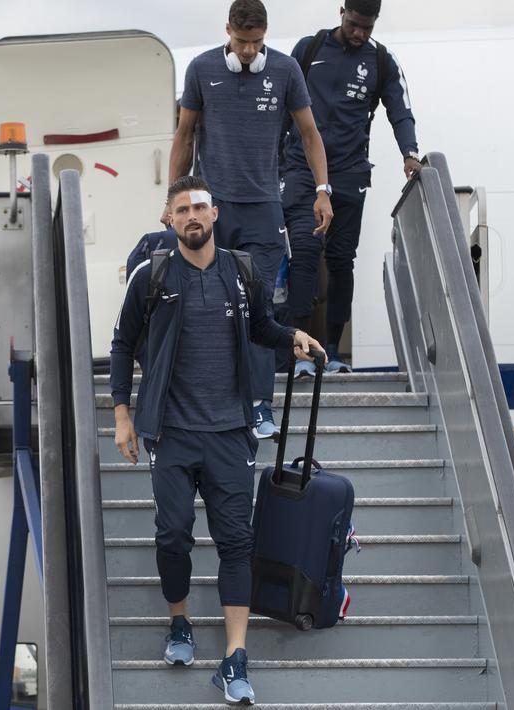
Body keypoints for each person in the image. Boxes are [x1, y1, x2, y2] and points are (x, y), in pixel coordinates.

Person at [112, 176, 322, 705]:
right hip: (173, 435)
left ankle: (234, 658)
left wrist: (292, 337)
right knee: (172, 537)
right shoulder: (152, 275)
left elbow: (262, 328)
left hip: (230, 434)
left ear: (216, 212)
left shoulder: (241, 271)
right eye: (182, 209)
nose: (192, 216)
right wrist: (122, 416)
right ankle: (179, 621)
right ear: (170, 219)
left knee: (236, 545)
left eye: (200, 206)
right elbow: (120, 346)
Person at [166, 0, 334, 439]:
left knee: (256, 306)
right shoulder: (201, 69)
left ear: (265, 35)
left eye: (256, 42)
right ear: (228, 31)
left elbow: (310, 133)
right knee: (205, 301)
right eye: (241, 42)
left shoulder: (284, 71)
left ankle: (260, 405)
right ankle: (205, 396)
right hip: (212, 208)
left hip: (263, 209)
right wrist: (174, 199)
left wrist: (322, 190)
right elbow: (184, 135)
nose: (247, 51)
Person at [281, 0, 420, 374]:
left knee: (342, 260)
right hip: (301, 169)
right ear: (341, 11)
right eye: (354, 24)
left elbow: (400, 110)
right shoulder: (308, 50)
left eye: (367, 28)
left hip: (349, 173)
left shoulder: (381, 62)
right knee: (306, 255)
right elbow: (282, 109)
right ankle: (299, 350)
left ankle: (332, 351)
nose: (359, 34)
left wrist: (410, 152)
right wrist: (272, 164)